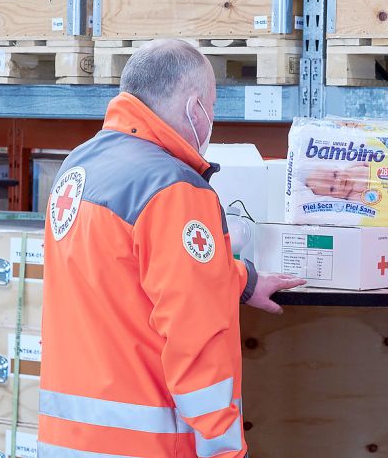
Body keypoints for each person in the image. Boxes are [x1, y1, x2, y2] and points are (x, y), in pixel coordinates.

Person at [38, 39, 305, 458]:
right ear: (193, 107)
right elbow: (196, 342)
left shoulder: (79, 167)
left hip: (68, 442)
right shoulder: (173, 189)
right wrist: (226, 451)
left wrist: (241, 279)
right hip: (147, 446)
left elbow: (124, 275)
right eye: (212, 106)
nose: (212, 118)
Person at [304, 163, 370, 201]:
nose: (339, 181)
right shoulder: (353, 196)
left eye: (335, 174)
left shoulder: (352, 166)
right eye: (332, 188)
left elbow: (366, 160)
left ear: (337, 167)